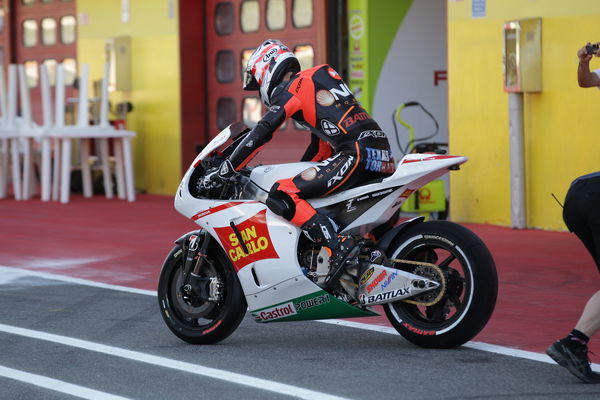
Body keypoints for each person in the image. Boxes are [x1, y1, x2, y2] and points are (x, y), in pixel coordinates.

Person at [203, 39, 395, 288]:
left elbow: (262, 131)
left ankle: (337, 248)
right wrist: (300, 175)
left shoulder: (296, 85)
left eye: (257, 81)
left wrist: (228, 166)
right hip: (382, 154)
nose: (259, 88)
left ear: (266, 68)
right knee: (310, 194)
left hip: (356, 153)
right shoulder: (319, 81)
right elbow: (320, 149)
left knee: (282, 194)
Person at [545, 42, 600, 383]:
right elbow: (585, 80)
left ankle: (574, 343)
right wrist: (583, 61)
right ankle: (572, 342)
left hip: (583, 194)